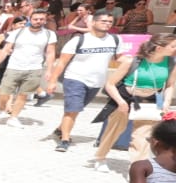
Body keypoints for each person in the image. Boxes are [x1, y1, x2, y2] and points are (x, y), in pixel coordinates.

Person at [90, 34, 176, 170]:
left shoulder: (173, 62)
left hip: (150, 101)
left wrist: (166, 102)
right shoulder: (132, 61)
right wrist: (121, 102)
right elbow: (110, 84)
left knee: (142, 137)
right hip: (125, 98)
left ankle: (137, 169)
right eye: (173, 46)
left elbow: (170, 85)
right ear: (158, 48)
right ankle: (100, 157)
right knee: (114, 130)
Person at [43, 11, 120, 153]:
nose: (107, 24)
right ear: (94, 22)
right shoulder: (79, 40)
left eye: (110, 22)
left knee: (75, 110)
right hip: (75, 78)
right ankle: (65, 140)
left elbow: (121, 60)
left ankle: (60, 129)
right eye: (103, 21)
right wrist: (52, 81)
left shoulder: (115, 40)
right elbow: (61, 63)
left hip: (96, 82)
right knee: (72, 109)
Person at [0, 9, 57, 124]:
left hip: (34, 68)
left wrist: (49, 70)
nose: (38, 21)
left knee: (23, 95)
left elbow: (50, 53)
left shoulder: (49, 34)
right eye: (35, 19)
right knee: (3, 94)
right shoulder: (18, 32)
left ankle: (13, 118)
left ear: (45, 21)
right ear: (30, 20)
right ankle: (1, 107)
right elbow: (5, 50)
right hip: (14, 67)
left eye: (41, 19)